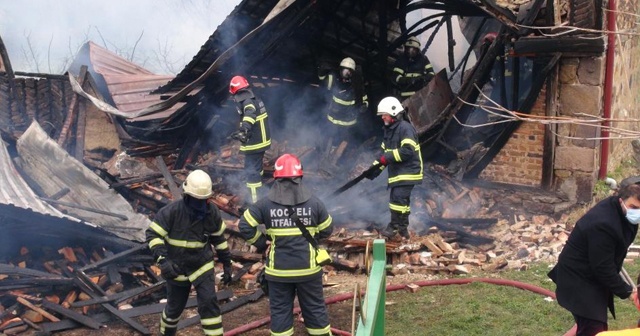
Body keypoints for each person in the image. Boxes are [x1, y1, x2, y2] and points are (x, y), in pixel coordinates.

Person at [238, 153, 334, 336]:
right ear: (299, 177)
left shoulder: (265, 204)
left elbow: (244, 225)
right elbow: (328, 229)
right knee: (314, 309)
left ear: (276, 178)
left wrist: (260, 242)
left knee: (281, 312)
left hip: (278, 272)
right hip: (308, 270)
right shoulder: (315, 203)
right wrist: (313, 237)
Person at [145, 170, 232, 336]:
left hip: (202, 265)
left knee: (209, 303)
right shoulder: (171, 212)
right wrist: (163, 261)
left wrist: (227, 264)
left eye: (204, 200)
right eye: (197, 200)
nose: (201, 204)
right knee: (174, 308)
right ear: (187, 195)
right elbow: (153, 235)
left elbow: (218, 239)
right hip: (176, 267)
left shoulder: (211, 212)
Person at [548, 183, 640, 336]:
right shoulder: (603, 224)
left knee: (586, 323)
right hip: (578, 277)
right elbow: (602, 267)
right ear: (621, 201)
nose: (637, 212)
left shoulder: (621, 212)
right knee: (594, 328)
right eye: (634, 207)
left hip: (592, 274)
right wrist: (628, 292)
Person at [365, 96, 423, 240]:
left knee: (398, 199)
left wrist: (387, 158)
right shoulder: (389, 131)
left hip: (409, 172)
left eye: (384, 114)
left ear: (393, 112)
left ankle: (395, 227)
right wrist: (374, 169)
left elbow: (408, 150)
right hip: (399, 173)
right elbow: (383, 154)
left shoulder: (405, 128)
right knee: (399, 201)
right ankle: (403, 229)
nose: (382, 117)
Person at [229, 75, 271, 204]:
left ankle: (254, 203)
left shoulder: (247, 100)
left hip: (255, 143)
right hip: (261, 142)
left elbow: (250, 114)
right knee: (257, 169)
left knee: (251, 173)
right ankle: (260, 192)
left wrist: (244, 129)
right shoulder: (253, 97)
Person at [318, 57, 368, 147]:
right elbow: (322, 81)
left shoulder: (357, 84)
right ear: (340, 70)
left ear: (352, 73)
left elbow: (364, 99)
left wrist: (364, 106)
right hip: (333, 120)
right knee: (328, 143)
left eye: (348, 71)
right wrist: (322, 71)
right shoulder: (333, 79)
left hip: (348, 123)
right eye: (344, 70)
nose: (346, 74)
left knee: (344, 145)